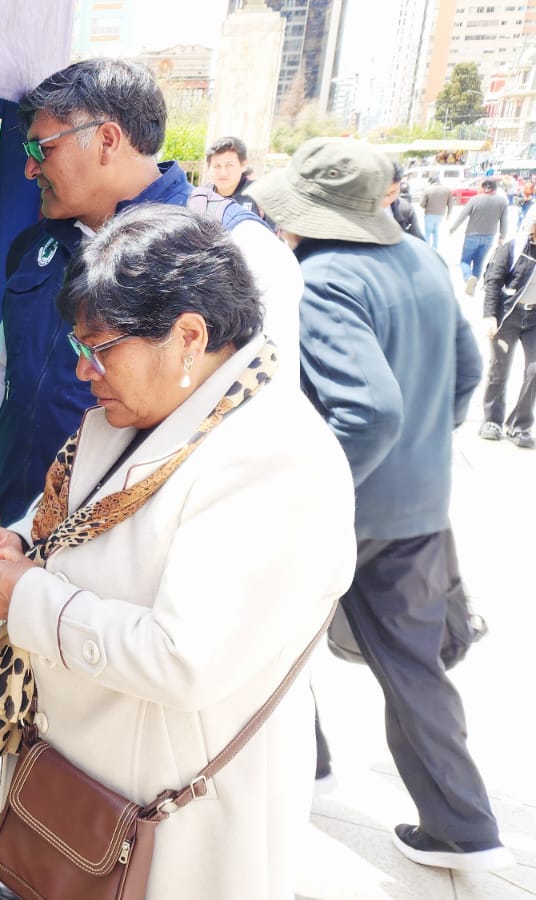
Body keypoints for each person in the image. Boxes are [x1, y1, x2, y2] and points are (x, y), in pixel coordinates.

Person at [0, 204, 356, 898]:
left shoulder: (275, 456)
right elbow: (90, 519)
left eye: (100, 348)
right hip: (78, 790)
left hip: (167, 825)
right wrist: (25, 541)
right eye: (80, 346)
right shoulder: (144, 411)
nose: (83, 370)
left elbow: (184, 657)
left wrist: (28, 595)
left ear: (188, 337)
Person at [250, 138, 512, 873]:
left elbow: (369, 412)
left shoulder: (323, 278)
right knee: (414, 668)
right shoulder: (423, 259)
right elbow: (467, 373)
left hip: (349, 510)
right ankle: (463, 824)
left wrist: (317, 492)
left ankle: (306, 766)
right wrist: (419, 453)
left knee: (271, 639)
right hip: (420, 504)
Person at [0, 58, 302, 527]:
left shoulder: (233, 247)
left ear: (107, 140)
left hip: (135, 543)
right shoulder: (36, 246)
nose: (29, 169)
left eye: (40, 148)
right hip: (23, 526)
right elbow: (2, 369)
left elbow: (260, 419)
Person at [478, 213, 536, 447]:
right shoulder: (515, 247)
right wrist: (490, 316)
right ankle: (492, 421)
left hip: (534, 319)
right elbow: (493, 280)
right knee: (499, 369)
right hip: (508, 316)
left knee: (534, 371)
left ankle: (519, 426)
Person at [449, 177, 508, 295]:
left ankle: (468, 278)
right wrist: (502, 236)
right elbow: (504, 221)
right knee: (479, 262)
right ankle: (473, 286)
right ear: (495, 189)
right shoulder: (502, 202)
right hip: (489, 236)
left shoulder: (475, 199)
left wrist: (452, 229)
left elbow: (462, 215)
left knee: (465, 260)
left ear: (483, 188)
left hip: (472, 235)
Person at [205, 135, 272, 227]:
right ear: (209, 168)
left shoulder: (260, 196)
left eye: (229, 165)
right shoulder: (201, 196)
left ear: (243, 165)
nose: (223, 173)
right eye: (217, 166)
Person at [386, 163, 423, 240]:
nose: (386, 199)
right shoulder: (361, 209)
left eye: (393, 192)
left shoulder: (406, 209)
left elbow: (418, 240)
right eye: (381, 193)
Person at [420, 175, 453, 248]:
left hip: (429, 213)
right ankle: (435, 248)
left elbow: (422, 204)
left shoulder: (427, 189)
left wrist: (426, 206)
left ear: (431, 182)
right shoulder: (447, 190)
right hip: (440, 214)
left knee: (427, 232)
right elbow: (450, 203)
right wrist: (449, 214)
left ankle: (426, 248)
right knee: (436, 231)